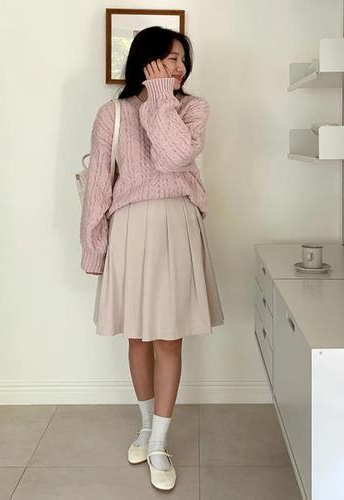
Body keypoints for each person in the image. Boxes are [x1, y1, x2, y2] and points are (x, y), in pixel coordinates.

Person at [79, 26, 224, 490]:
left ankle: (160, 442)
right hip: (129, 228)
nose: (180, 67)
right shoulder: (113, 113)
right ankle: (145, 426)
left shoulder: (192, 108)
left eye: (183, 60)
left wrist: (161, 96)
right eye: (170, 59)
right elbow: (99, 184)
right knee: (138, 337)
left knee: (169, 338)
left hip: (177, 223)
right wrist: (94, 245)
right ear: (146, 61)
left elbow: (173, 157)